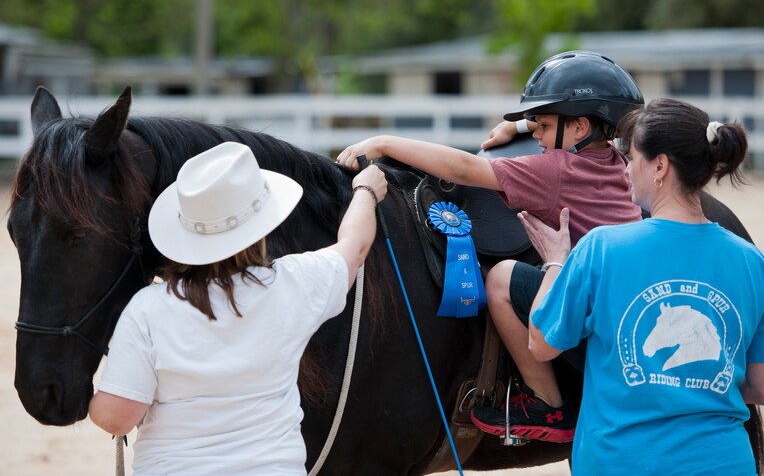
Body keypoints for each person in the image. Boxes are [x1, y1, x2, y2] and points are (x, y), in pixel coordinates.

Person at [337, 50, 644, 441]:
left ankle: (546, 402)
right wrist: (519, 130)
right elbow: (554, 142)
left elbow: (465, 169)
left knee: (501, 279)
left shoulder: (557, 170)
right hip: (622, 311)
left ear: (581, 127)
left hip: (594, 324)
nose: (536, 134)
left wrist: (385, 142)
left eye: (544, 126)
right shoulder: (614, 160)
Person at [88, 141, 387, 476]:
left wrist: (95, 395)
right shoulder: (295, 284)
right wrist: (366, 191)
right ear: (260, 224)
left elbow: (116, 418)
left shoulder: (147, 310)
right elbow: (355, 245)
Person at [519, 97, 764, 474]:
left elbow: (541, 343)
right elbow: (759, 388)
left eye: (631, 159)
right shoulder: (751, 262)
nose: (627, 170)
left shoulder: (602, 248)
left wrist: (554, 262)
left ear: (660, 166)